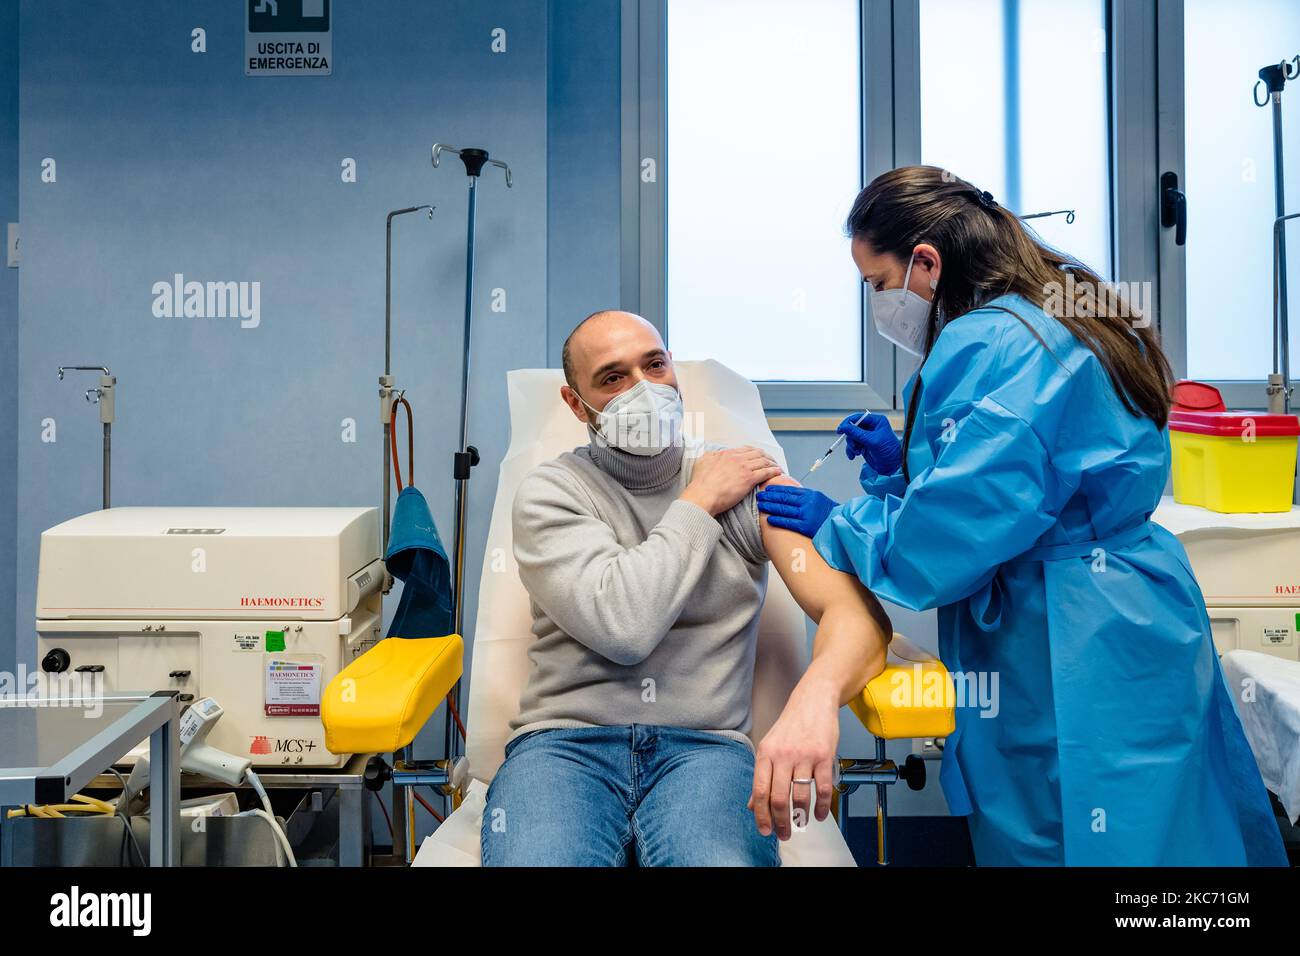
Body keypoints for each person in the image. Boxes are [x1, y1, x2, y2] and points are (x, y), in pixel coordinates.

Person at [757, 165, 1288, 866]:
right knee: (1171, 830)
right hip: (1142, 610)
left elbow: (947, 534)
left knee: (1075, 828)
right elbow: (1027, 476)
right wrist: (904, 465)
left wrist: (839, 521)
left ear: (926, 262)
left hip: (1069, 630)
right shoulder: (1068, 312)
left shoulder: (986, 341)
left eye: (879, 285)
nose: (881, 306)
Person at [482, 310, 892, 866]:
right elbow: (623, 627)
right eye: (613, 377)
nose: (643, 390)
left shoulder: (748, 482)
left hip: (706, 753)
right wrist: (698, 501)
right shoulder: (552, 494)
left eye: (655, 365)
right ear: (577, 405)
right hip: (563, 751)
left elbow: (857, 618)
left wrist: (813, 704)